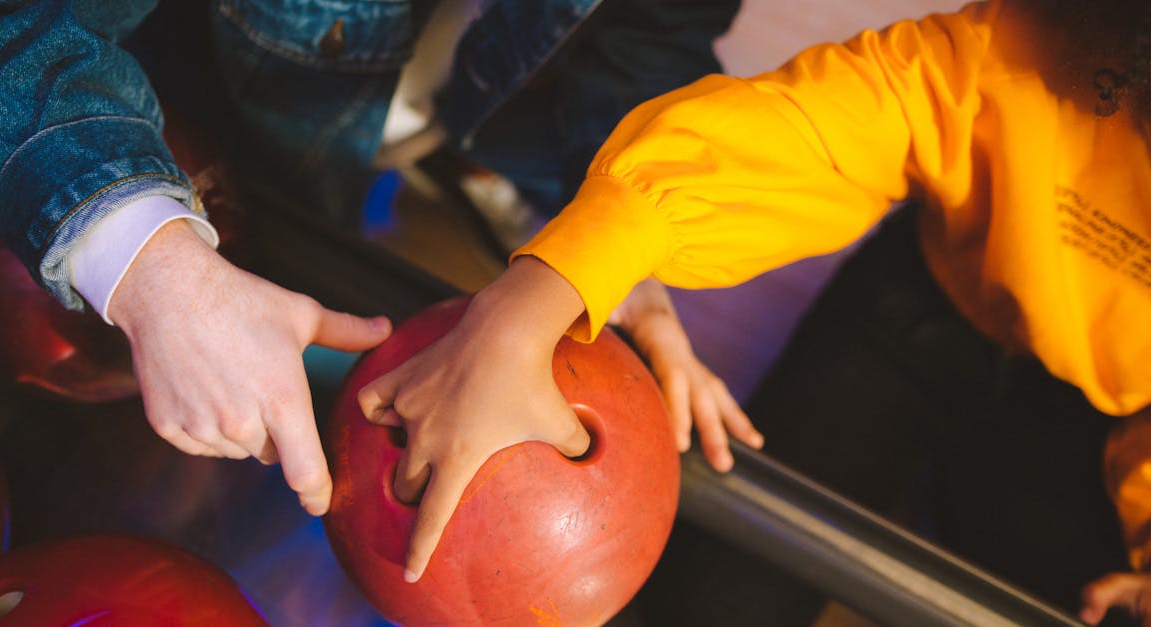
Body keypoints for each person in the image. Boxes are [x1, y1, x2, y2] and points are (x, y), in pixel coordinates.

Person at [358, 0, 1151, 624]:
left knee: (1055, 573)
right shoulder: (1036, 45)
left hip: (1101, 423)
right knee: (705, 608)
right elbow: (812, 129)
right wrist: (536, 298)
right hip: (925, 306)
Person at [0, 0, 748, 522]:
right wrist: (146, 260)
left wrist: (614, 241)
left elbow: (648, 41)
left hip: (413, 116)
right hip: (162, 118)